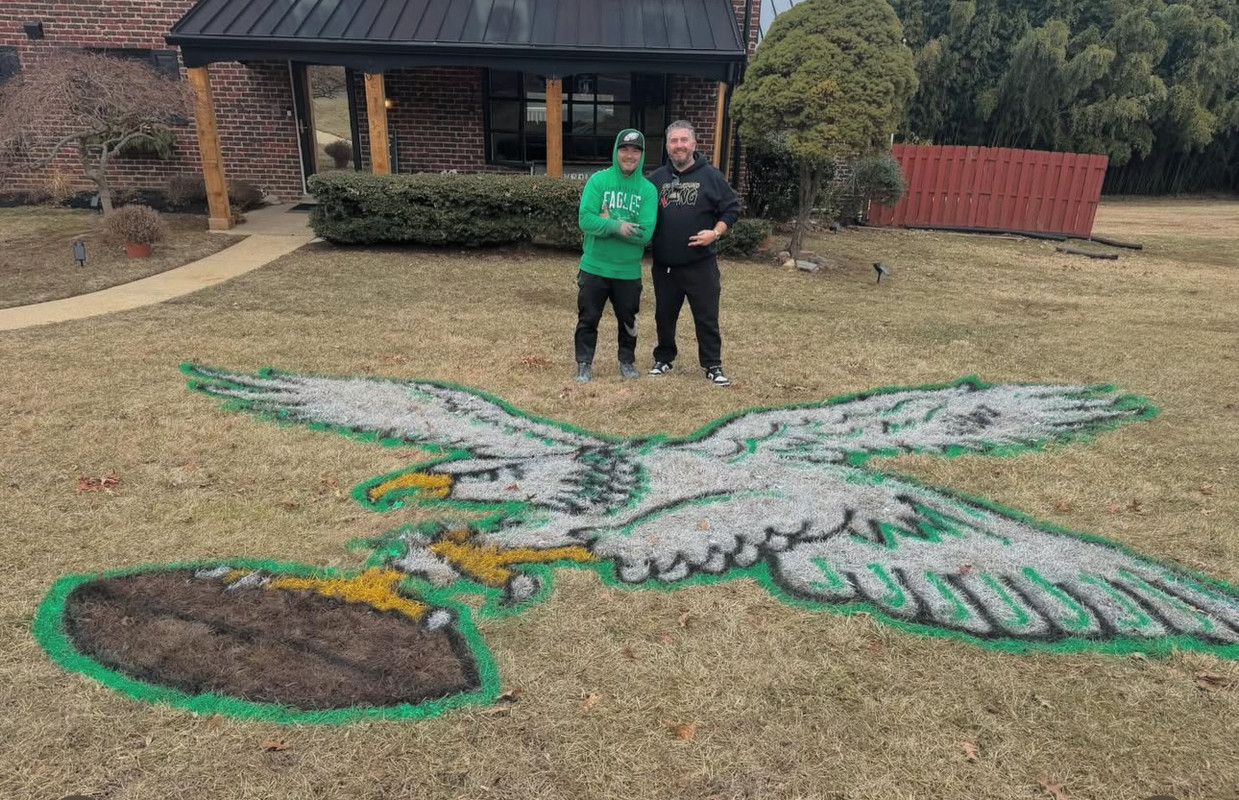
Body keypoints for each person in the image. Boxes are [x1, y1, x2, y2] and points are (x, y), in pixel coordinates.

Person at [647, 120, 740, 387]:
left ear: (694, 144)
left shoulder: (711, 176)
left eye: (683, 140)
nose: (679, 146)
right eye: (674, 141)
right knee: (664, 316)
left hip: (701, 264)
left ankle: (712, 364)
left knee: (706, 316)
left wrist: (716, 232)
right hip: (665, 266)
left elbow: (731, 209)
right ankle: (663, 358)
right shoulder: (657, 179)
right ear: (667, 147)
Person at [574, 128, 658, 384]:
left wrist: (612, 222)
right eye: (625, 149)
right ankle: (584, 363)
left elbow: (645, 233)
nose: (629, 155)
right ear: (616, 151)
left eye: (635, 150)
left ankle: (627, 361)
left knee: (629, 321)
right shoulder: (598, 182)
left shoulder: (648, 190)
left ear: (642, 155)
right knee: (588, 318)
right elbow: (585, 220)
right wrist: (616, 227)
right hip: (594, 266)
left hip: (627, 271)